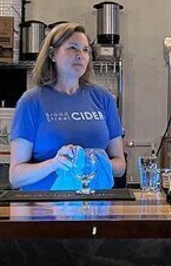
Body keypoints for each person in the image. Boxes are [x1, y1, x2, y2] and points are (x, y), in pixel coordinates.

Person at [9, 22, 126, 190]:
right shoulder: (31, 101)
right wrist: (55, 164)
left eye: (85, 50)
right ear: (52, 54)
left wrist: (94, 161)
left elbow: (120, 167)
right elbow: (15, 177)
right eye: (72, 48)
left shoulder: (103, 98)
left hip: (94, 209)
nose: (80, 55)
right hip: (44, 211)